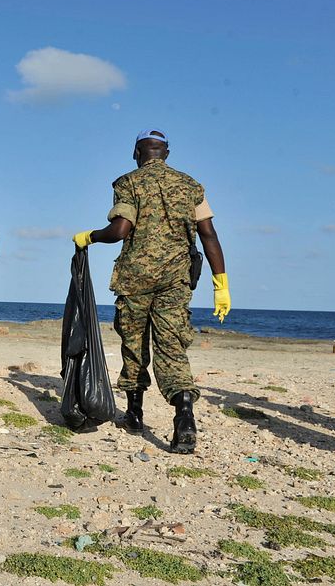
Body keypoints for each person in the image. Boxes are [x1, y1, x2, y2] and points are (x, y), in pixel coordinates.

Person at [72, 129, 230, 454]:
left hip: (135, 278)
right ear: (167, 154)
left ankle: (134, 413)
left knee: (134, 343)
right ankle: (184, 412)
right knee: (172, 346)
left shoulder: (128, 183)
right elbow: (209, 236)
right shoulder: (190, 186)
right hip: (176, 279)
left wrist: (90, 236)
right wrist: (221, 284)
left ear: (136, 152)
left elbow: (120, 230)